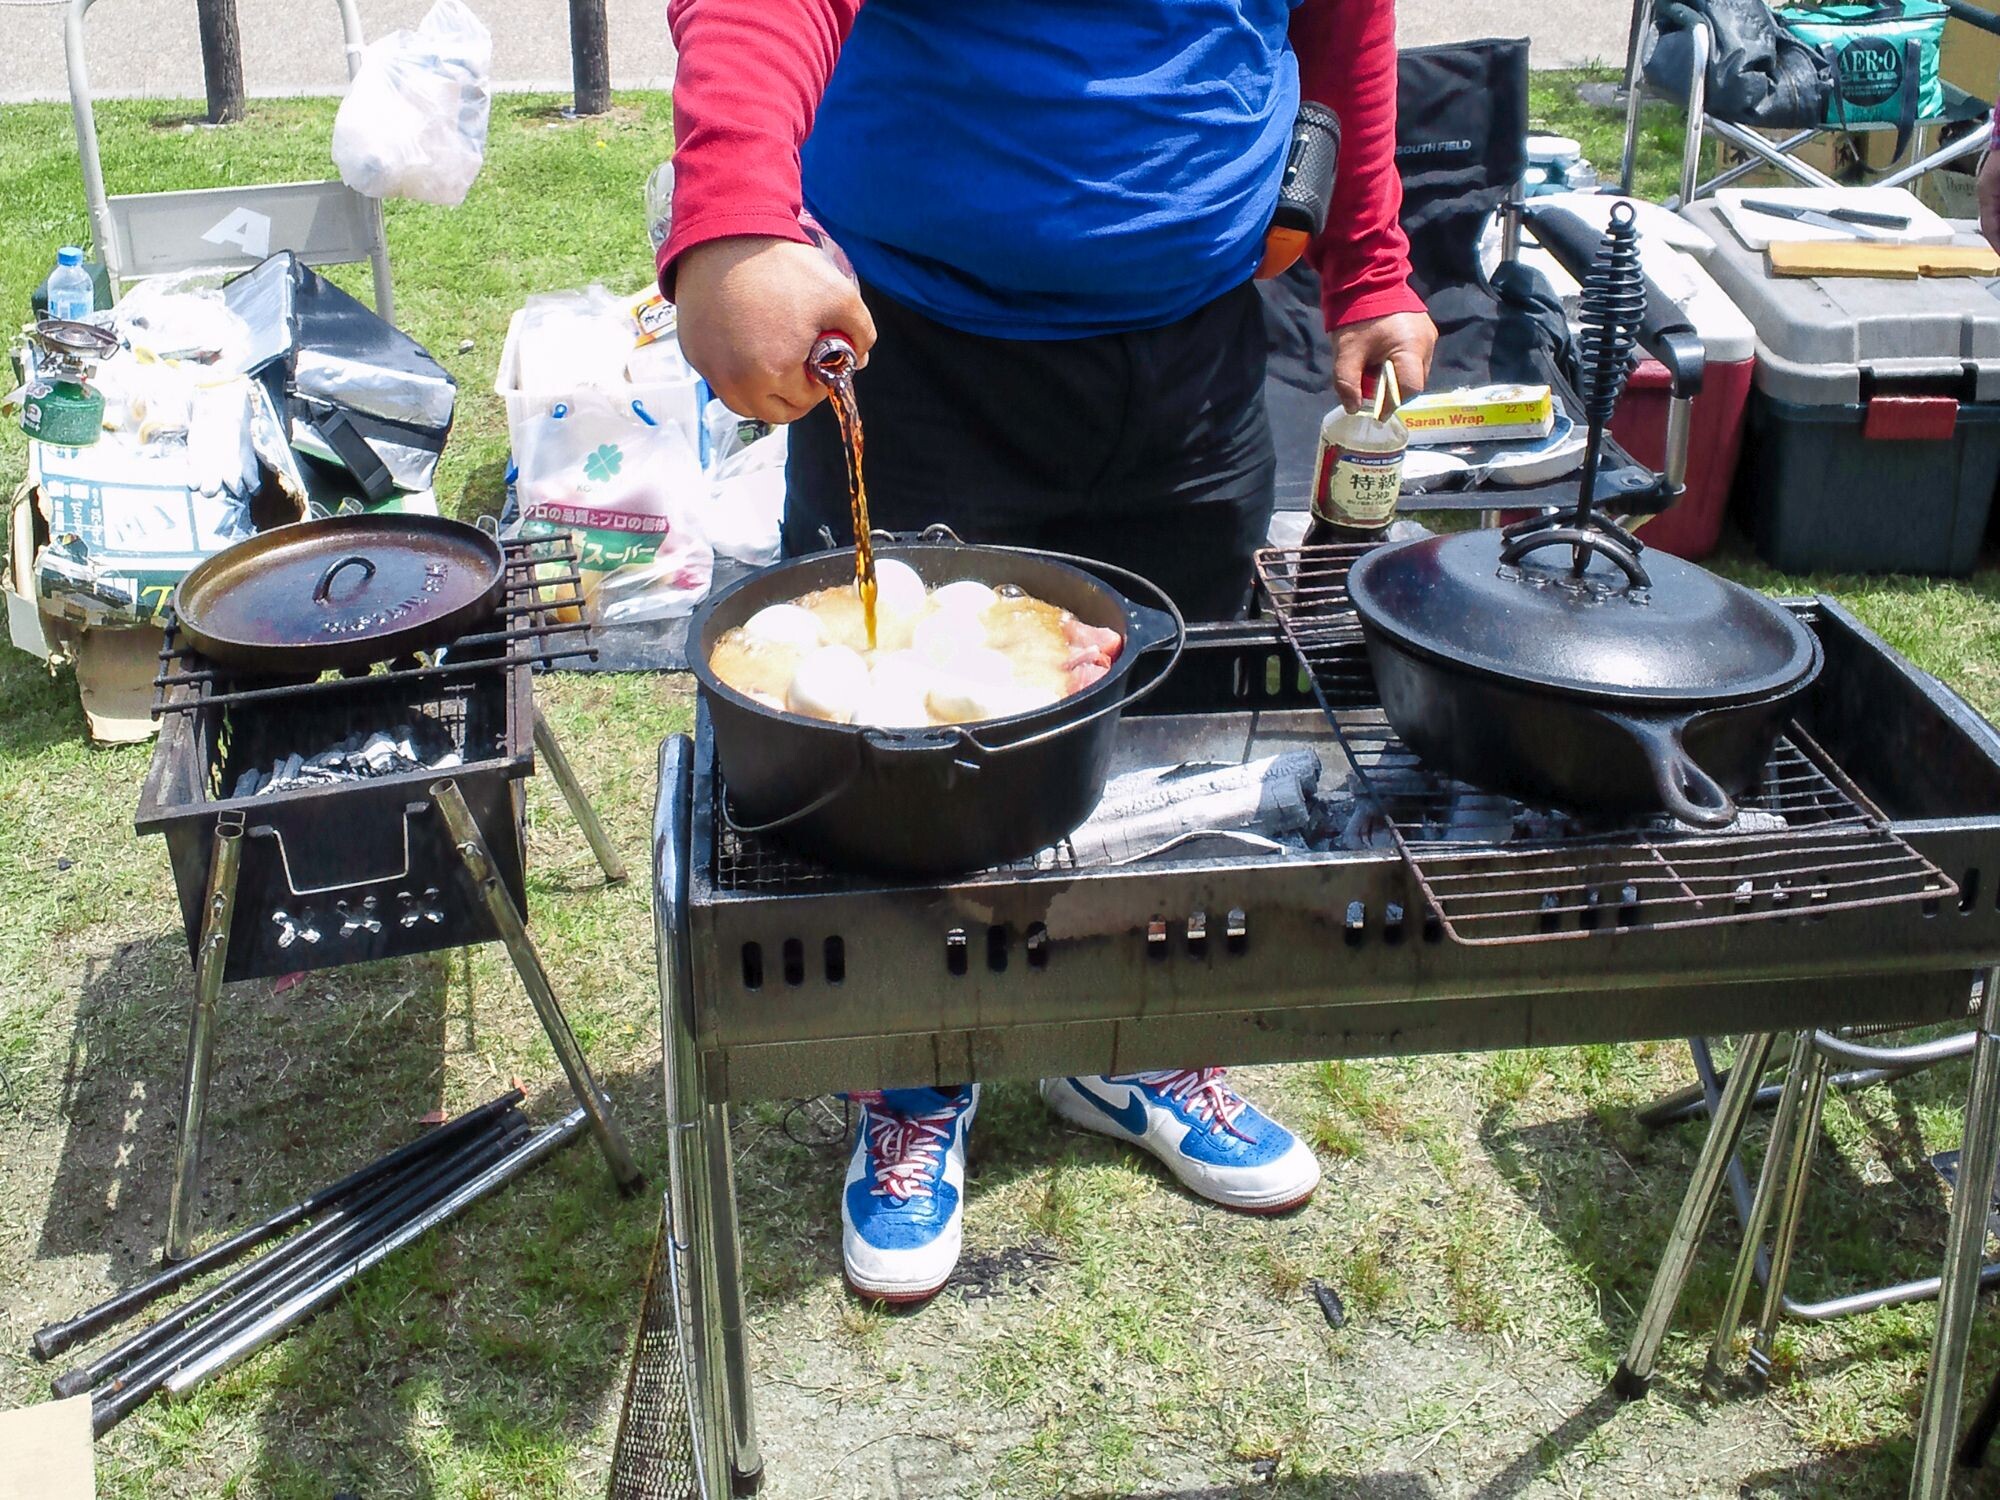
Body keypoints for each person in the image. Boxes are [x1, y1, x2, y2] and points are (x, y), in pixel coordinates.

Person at [660, 0, 1437, 1304]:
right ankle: (912, 1075)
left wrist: (1369, 263)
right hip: (921, 348)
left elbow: (1340, 13)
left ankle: (1129, 1040)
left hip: (1196, 350)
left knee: (1164, 735)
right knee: (904, 760)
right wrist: (734, 208)